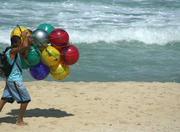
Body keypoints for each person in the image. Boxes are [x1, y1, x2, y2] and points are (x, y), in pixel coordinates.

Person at [0, 30, 31, 125]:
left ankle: (19, 120)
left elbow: (25, 52)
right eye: (19, 42)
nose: (20, 43)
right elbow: (24, 46)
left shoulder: (10, 50)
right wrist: (24, 35)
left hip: (10, 80)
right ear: (14, 43)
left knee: (4, 99)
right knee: (25, 100)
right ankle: (19, 120)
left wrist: (28, 42)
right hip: (15, 81)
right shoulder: (12, 51)